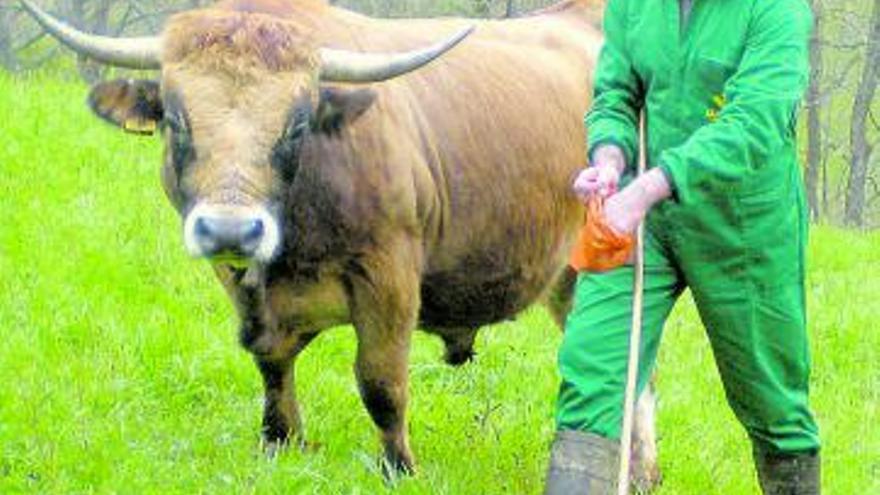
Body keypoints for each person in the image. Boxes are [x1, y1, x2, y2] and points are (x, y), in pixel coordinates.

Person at [544, 0, 820, 493]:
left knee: (773, 399)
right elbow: (616, 92)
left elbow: (754, 123)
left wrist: (649, 187)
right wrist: (609, 157)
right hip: (640, 223)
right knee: (592, 369)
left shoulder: (776, 10)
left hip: (743, 227)